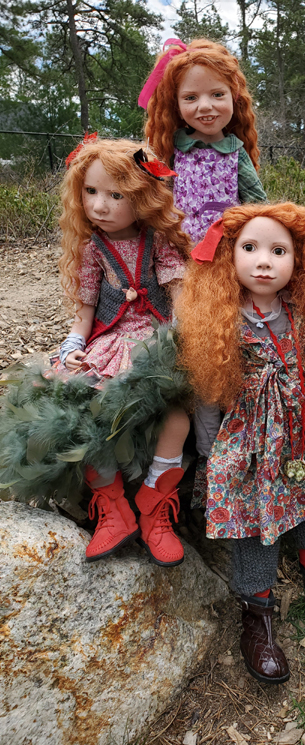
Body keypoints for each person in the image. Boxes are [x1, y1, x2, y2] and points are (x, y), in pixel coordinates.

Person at [176, 202, 305, 683]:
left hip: (301, 440)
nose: (264, 261)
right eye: (250, 248)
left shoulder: (303, 313)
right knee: (254, 526)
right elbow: (208, 391)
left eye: (278, 251)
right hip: (248, 447)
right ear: (229, 255)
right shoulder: (220, 319)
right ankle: (257, 614)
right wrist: (210, 451)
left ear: (299, 260)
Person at [0, 137, 192, 567]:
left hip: (155, 339)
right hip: (108, 343)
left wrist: (176, 341)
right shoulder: (92, 250)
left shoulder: (158, 242)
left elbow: (179, 301)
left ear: (143, 197)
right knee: (84, 411)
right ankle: (112, 506)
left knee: (176, 415)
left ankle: (155, 501)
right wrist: (72, 347)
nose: (99, 206)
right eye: (90, 192)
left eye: (116, 195)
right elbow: (83, 315)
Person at [139, 38, 267, 243]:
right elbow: (155, 197)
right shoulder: (173, 149)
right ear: (176, 104)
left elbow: (258, 203)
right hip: (179, 246)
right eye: (191, 97)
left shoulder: (235, 152)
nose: (205, 106)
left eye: (217, 94)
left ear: (234, 96)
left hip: (225, 247)